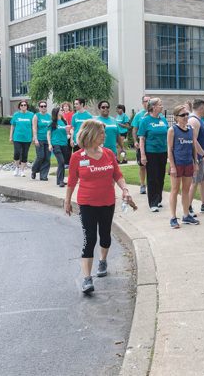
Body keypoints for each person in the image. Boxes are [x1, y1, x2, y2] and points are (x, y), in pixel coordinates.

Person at [64, 120, 137, 294]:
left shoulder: (109, 154)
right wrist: (67, 200)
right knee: (90, 239)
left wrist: (125, 190)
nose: (105, 135)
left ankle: (103, 261)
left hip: (107, 201)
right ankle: (87, 279)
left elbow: (117, 174)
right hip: (87, 203)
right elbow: (72, 181)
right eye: (102, 133)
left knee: (105, 236)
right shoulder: (77, 157)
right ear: (91, 134)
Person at [167, 104, 200, 228]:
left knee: (185, 190)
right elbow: (169, 149)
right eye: (183, 115)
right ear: (176, 117)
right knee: (175, 190)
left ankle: (186, 215)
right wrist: (172, 166)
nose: (186, 117)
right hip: (177, 164)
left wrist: (195, 162)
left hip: (188, 163)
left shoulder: (191, 129)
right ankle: (173, 217)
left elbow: (193, 147)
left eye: (187, 114)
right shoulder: (172, 130)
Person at [138, 98, 169, 212]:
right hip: (151, 152)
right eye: (160, 105)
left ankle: (159, 199)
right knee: (152, 177)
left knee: (161, 176)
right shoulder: (145, 121)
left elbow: (168, 135)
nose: (162, 107)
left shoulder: (163, 120)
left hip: (163, 152)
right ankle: (153, 203)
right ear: (153, 107)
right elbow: (142, 139)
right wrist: (142, 155)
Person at [131, 96, 151, 194]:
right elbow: (134, 129)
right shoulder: (139, 115)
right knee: (142, 166)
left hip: (153, 145)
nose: (147, 103)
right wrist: (135, 141)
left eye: (149, 101)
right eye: (145, 101)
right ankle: (143, 185)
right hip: (142, 145)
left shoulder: (156, 114)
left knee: (152, 167)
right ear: (142, 103)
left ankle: (151, 185)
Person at [9, 100, 34, 177]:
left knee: (24, 154)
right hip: (17, 137)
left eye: (25, 105)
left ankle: (22, 170)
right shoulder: (16, 115)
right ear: (19, 106)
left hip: (27, 138)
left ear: (27, 106)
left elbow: (33, 126)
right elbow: (12, 126)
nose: (23, 106)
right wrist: (10, 137)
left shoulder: (31, 115)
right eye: (22, 105)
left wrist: (34, 136)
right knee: (17, 153)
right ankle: (17, 167)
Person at [48, 106, 71, 187]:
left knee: (63, 162)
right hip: (56, 144)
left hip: (64, 144)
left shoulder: (64, 122)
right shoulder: (53, 122)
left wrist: (68, 134)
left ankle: (59, 180)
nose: (63, 111)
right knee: (61, 161)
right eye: (61, 110)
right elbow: (49, 134)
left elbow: (67, 131)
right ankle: (61, 180)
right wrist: (50, 144)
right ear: (57, 112)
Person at [31, 101, 52, 181]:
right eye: (41, 106)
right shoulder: (36, 116)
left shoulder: (49, 116)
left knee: (47, 158)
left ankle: (43, 175)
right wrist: (35, 138)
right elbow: (34, 128)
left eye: (45, 106)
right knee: (40, 156)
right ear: (39, 107)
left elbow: (50, 129)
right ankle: (34, 170)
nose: (43, 107)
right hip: (39, 139)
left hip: (48, 140)